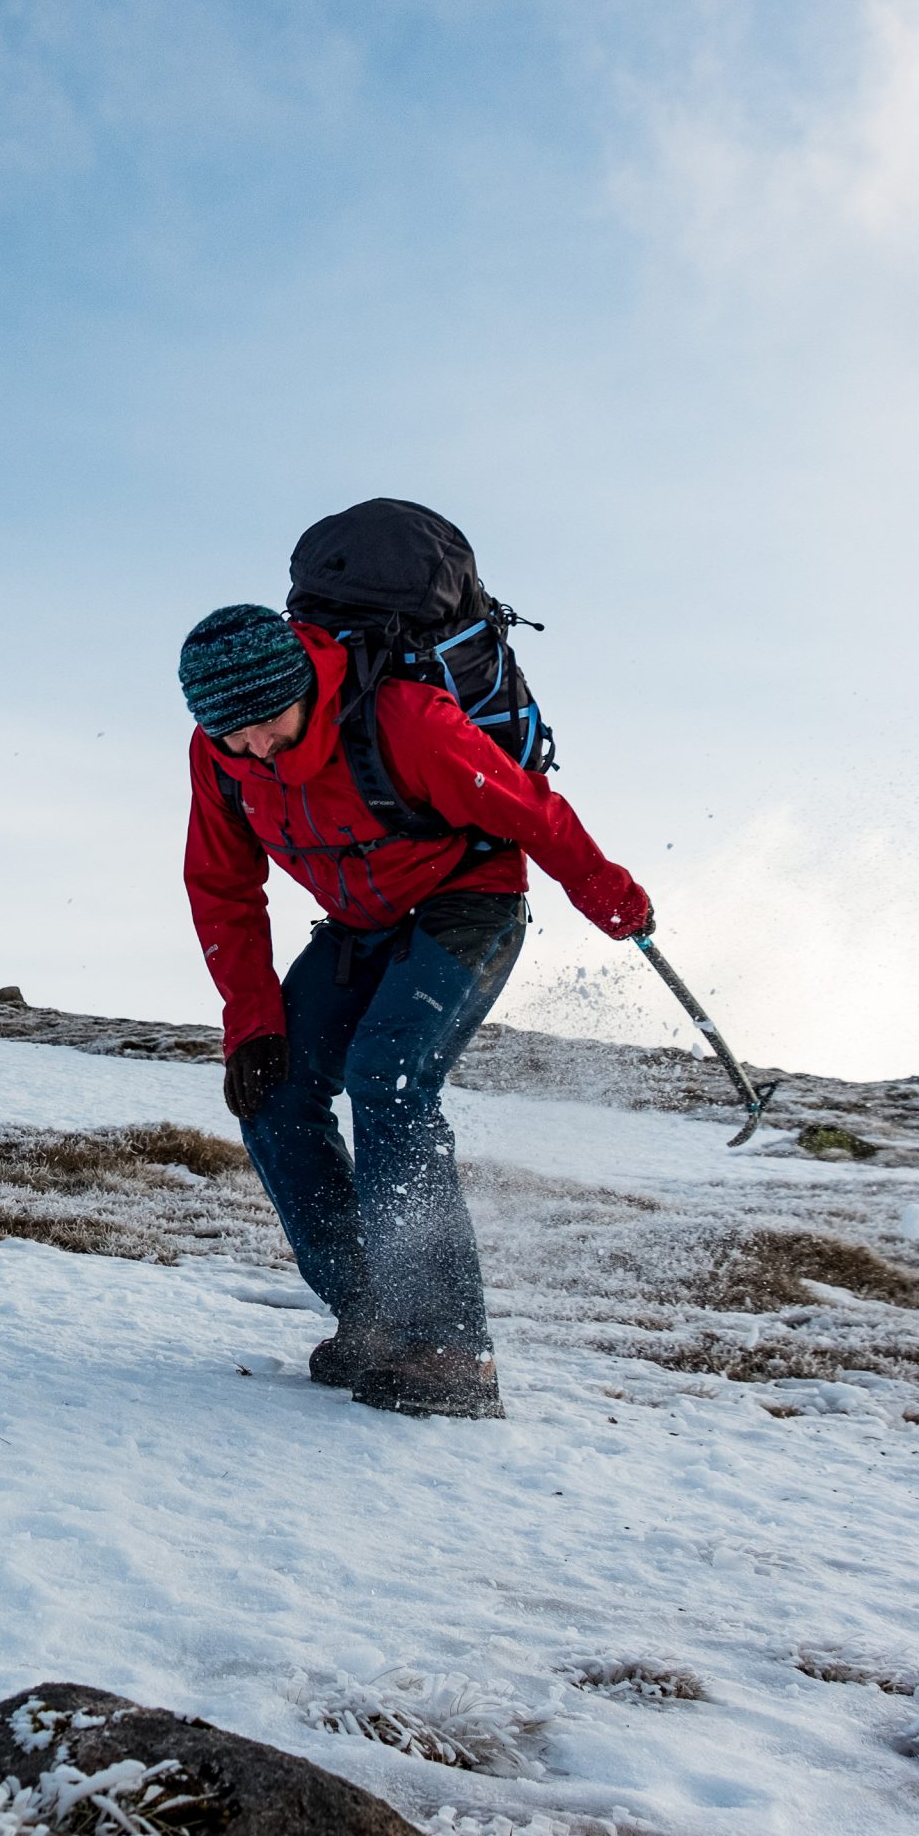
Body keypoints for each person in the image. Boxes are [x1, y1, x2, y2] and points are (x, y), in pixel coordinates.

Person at [179, 596, 651, 1419]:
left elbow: (527, 806)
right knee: (274, 1092)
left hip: (467, 902)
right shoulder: (219, 757)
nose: (254, 745)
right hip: (362, 923)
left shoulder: (406, 720)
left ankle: (448, 1348)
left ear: (304, 688)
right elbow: (222, 885)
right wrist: (251, 1022)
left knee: (388, 1079)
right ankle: (372, 1314)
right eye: (233, 732)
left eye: (267, 721)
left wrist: (601, 887)